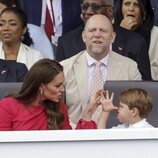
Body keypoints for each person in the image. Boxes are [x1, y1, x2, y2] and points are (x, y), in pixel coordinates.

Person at [60, 14, 142, 128]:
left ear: (113, 37)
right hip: (75, 136)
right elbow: (55, 113)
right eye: (92, 30)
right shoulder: (64, 68)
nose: (97, 35)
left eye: (103, 31)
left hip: (117, 138)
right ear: (84, 36)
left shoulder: (129, 67)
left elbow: (139, 110)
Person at [0, 58, 107, 130]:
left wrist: (88, 113)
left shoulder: (58, 106)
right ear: (41, 86)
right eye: (57, 86)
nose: (63, 90)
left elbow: (70, 144)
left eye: (63, 85)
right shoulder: (7, 106)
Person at [57, 0, 151, 80]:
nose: (89, 11)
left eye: (96, 7)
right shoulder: (66, 42)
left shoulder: (136, 43)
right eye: (85, 6)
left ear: (110, 11)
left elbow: (144, 91)